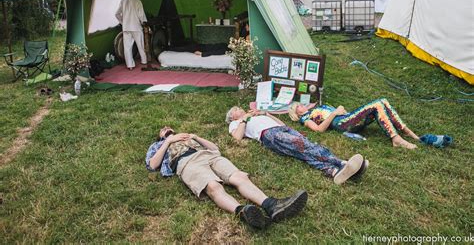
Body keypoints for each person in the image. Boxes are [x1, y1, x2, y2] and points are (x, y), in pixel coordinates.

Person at [145, 126, 308, 229]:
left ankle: (272, 205)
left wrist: (195, 137)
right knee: (213, 186)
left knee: (239, 177)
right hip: (187, 163)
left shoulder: (187, 136)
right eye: (162, 129)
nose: (166, 128)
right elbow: (153, 165)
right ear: (160, 136)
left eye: (168, 127)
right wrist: (168, 141)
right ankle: (243, 212)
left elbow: (216, 149)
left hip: (208, 155)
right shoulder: (158, 145)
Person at [226, 107, 368, 184]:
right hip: (269, 134)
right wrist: (243, 120)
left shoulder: (255, 116)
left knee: (306, 147)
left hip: (283, 129)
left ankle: (333, 171)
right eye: (237, 109)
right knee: (303, 146)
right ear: (233, 116)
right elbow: (237, 137)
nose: (241, 108)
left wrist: (266, 114)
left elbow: (281, 124)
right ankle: (341, 163)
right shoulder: (235, 123)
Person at [288, 98, 419, 149]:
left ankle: (406, 131)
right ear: (297, 113)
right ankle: (396, 138)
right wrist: (334, 113)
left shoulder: (312, 110)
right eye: (298, 106)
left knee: (383, 101)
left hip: (347, 118)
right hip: (341, 123)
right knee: (378, 104)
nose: (301, 105)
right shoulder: (306, 119)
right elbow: (318, 130)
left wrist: (344, 112)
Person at [115, 0, 148, 70]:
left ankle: (130, 65)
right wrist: (144, 22)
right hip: (136, 27)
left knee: (127, 47)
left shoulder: (123, 1)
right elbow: (141, 15)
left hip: (126, 28)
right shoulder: (138, 2)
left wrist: (123, 22)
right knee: (140, 45)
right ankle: (144, 61)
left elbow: (117, 14)